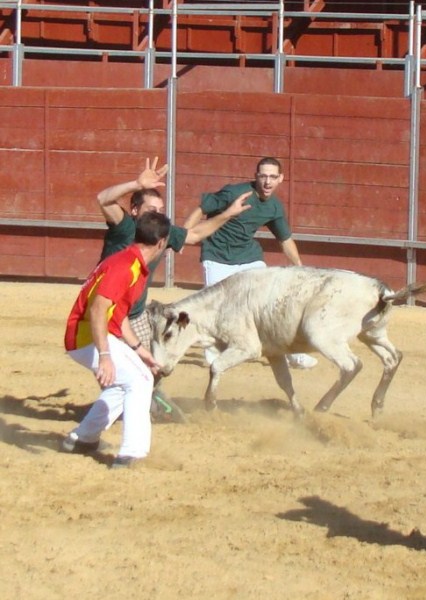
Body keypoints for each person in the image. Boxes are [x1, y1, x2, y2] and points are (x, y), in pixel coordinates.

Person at [97, 157, 251, 421]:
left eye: (160, 209)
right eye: (150, 208)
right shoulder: (124, 226)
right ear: (134, 210)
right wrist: (136, 183)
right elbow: (103, 199)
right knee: (122, 371)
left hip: (135, 314)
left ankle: (145, 403)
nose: (156, 214)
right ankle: (117, 416)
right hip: (107, 312)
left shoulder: (162, 233)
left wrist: (227, 214)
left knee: (150, 366)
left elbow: (195, 235)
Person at [183, 156, 317, 369]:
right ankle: (213, 353)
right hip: (217, 255)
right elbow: (202, 207)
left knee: (271, 305)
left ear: (281, 179)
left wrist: (299, 265)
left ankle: (294, 353)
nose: (267, 182)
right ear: (256, 176)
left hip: (248, 257)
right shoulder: (235, 193)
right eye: (263, 176)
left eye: (273, 177)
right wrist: (184, 234)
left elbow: (284, 239)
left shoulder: (274, 206)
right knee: (214, 307)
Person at [62, 211, 171, 469]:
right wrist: (105, 356)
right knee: (141, 380)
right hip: (87, 336)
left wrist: (139, 350)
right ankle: (131, 454)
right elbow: (99, 310)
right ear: (161, 243)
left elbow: (117, 315)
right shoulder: (126, 267)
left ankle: (82, 439)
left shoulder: (129, 263)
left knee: (123, 384)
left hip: (90, 334)